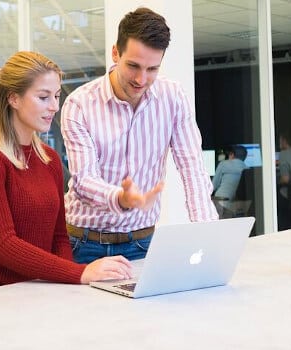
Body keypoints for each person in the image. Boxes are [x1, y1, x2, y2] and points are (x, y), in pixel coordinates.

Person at [0, 51, 133, 296]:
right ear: (13, 98)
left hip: (30, 286)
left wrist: (68, 283)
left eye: (56, 96)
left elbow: (59, 238)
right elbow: (1, 245)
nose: (54, 107)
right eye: (43, 97)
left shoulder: (49, 159)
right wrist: (79, 273)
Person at [60, 8, 218, 264]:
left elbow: (192, 168)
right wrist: (120, 198)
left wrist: (208, 233)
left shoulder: (173, 97)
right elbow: (84, 180)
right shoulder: (79, 104)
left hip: (141, 242)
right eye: (133, 65)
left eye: (152, 68)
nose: (141, 79)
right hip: (83, 244)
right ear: (115, 53)